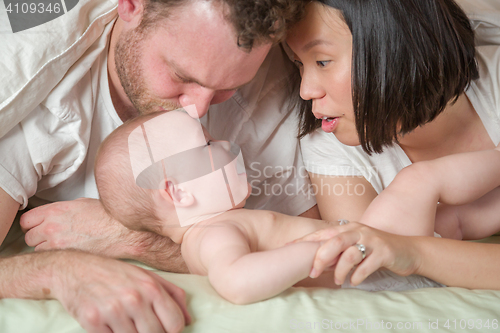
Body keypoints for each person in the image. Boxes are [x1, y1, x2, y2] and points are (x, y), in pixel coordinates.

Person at [0, 0, 317, 331]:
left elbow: (311, 248)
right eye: (181, 76)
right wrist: (60, 272)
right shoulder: (33, 86)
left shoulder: (269, 84)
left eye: (228, 88)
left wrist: (129, 236)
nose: (198, 109)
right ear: (132, 6)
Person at [94, 110, 442, 305]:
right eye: (207, 144)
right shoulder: (212, 235)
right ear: (178, 193)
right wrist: (317, 250)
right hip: (370, 266)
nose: (229, 144)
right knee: (419, 181)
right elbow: (236, 281)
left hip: (377, 257)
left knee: (449, 218)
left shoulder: (215, 229)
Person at [285, 0, 500, 289]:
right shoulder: (330, 148)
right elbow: (376, 272)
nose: (306, 90)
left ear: (399, 46)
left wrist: (426, 181)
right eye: (300, 63)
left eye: (322, 61)